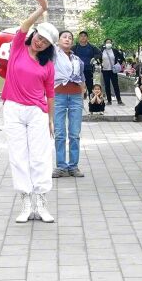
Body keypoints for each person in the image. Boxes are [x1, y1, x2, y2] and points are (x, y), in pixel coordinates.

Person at [0, 0, 57, 223]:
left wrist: (51, 119)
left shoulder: (48, 65)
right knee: (18, 155)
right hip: (13, 108)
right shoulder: (18, 49)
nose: (39, 41)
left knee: (40, 156)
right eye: (38, 36)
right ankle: (25, 201)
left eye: (44, 41)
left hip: (36, 112)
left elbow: (51, 94)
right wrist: (41, 10)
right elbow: (23, 26)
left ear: (48, 46)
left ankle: (41, 201)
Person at [52, 30, 86, 179]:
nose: (67, 39)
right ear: (58, 40)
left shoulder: (77, 59)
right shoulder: (53, 55)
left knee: (74, 133)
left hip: (76, 97)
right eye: (64, 37)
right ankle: (60, 166)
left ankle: (73, 166)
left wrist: (83, 92)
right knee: (59, 133)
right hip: (58, 96)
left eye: (70, 38)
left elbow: (82, 77)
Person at [73, 31, 101, 98]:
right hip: (77, 71)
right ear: (79, 38)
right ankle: (80, 97)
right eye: (81, 36)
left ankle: (92, 101)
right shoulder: (75, 47)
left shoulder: (92, 47)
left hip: (88, 69)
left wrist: (94, 58)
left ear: (87, 38)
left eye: (84, 36)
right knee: (77, 86)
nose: (83, 37)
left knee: (90, 86)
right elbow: (68, 54)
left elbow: (100, 53)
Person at [100, 38, 125, 105]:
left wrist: (118, 63)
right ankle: (109, 100)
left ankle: (119, 100)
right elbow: (98, 58)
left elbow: (122, 58)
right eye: (107, 42)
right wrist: (100, 63)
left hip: (113, 70)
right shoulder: (102, 51)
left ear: (111, 43)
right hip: (105, 70)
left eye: (110, 42)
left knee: (115, 85)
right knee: (107, 86)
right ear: (105, 43)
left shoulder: (114, 50)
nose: (109, 44)